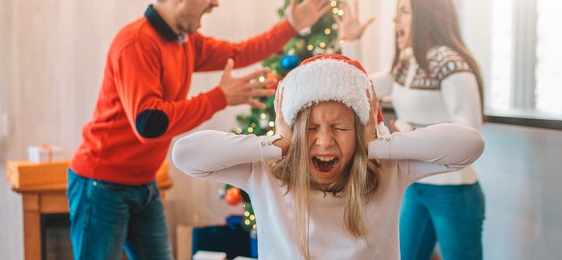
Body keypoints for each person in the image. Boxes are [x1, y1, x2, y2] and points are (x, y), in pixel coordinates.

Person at [67, 0, 333, 260]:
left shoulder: (185, 42)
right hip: (101, 184)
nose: (215, 2)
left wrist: (290, 26)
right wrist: (220, 97)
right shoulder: (137, 43)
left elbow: (240, 51)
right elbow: (149, 124)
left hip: (143, 182)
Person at [172, 53, 485, 260]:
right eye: (310, 129)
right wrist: (278, 143)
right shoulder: (266, 170)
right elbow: (185, 154)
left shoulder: (389, 168)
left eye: (339, 127)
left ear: (360, 129)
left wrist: (375, 144)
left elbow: (469, 145)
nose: (324, 141)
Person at [336, 0, 485, 259]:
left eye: (404, 11)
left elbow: (470, 135)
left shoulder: (452, 65)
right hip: (415, 185)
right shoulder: (408, 61)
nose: (395, 20)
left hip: (452, 191)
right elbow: (361, 86)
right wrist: (352, 42)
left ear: (429, 17)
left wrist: (407, 135)